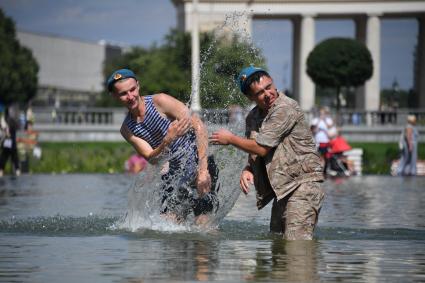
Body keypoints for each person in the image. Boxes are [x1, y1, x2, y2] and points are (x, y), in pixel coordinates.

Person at [209, 66, 325, 240]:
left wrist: (231, 139)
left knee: (297, 244)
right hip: (282, 189)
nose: (268, 94)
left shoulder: (285, 108)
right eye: (260, 93)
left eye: (269, 87)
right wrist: (248, 168)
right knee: (277, 243)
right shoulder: (253, 117)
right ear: (250, 97)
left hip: (303, 184)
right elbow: (254, 150)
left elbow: (262, 147)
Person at [107, 69, 219, 224]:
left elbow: (199, 127)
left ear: (138, 86)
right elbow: (152, 158)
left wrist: (203, 170)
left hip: (200, 163)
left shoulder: (159, 101)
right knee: (169, 227)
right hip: (175, 175)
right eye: (123, 93)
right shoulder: (127, 129)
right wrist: (167, 139)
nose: (130, 96)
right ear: (114, 96)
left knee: (203, 224)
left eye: (132, 89)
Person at [0, 108, 21, 177]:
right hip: (12, 140)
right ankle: (17, 171)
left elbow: (3, 128)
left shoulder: (4, 120)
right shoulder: (12, 120)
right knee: (14, 156)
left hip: (7, 140)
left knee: (4, 156)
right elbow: (17, 127)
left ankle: (1, 171)